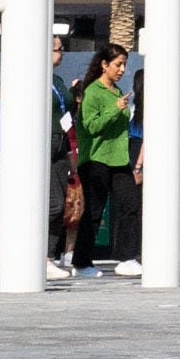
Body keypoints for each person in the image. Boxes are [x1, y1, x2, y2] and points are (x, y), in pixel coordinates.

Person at [74, 38, 140, 272]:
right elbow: (91, 126)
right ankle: (81, 262)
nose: (122, 70)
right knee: (94, 210)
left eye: (124, 65)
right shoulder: (93, 91)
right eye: (118, 64)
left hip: (119, 159)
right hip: (96, 160)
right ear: (104, 65)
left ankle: (126, 257)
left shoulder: (117, 91)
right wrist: (115, 109)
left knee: (131, 204)